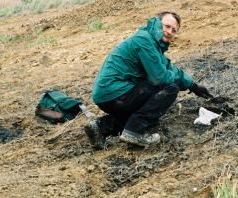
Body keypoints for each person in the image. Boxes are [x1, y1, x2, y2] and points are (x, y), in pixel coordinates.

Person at [85, 12, 212, 149]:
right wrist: (175, 80)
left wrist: (192, 85)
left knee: (151, 113)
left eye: (173, 30)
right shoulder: (144, 41)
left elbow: (168, 66)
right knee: (170, 88)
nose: (169, 32)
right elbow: (159, 78)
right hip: (115, 93)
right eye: (167, 26)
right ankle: (134, 132)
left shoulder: (150, 41)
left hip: (109, 94)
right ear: (157, 23)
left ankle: (101, 127)